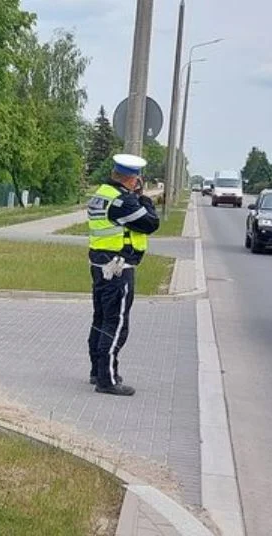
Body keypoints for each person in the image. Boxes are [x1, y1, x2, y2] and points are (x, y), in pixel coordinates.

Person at [87, 154, 160, 396]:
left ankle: (97, 371)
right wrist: (144, 199)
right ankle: (106, 379)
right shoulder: (123, 202)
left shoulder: (101, 194)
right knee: (116, 324)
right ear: (132, 179)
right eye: (137, 178)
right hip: (119, 269)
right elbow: (150, 223)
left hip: (100, 265)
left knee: (100, 320)